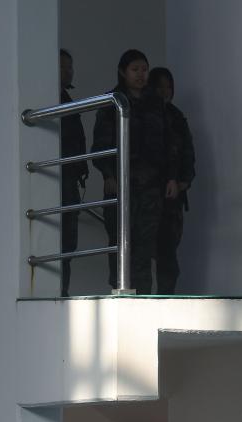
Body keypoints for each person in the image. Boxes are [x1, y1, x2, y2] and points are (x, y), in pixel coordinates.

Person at [92, 49, 178, 293]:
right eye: (135, 70)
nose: (141, 75)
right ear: (123, 72)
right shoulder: (112, 101)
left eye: (144, 69)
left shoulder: (155, 102)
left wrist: (171, 176)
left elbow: (169, 142)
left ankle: (143, 295)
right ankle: (119, 291)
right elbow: (101, 143)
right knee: (119, 242)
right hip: (121, 183)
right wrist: (108, 174)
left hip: (151, 186)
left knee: (145, 245)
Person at [147, 68, 195, 294]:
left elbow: (187, 152)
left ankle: (165, 298)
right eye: (160, 86)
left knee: (168, 255)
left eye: (169, 86)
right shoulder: (145, 114)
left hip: (172, 198)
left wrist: (184, 180)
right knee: (143, 254)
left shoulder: (176, 116)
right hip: (147, 194)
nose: (165, 91)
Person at [59, 49, 89, 297]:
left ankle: (64, 292)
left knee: (68, 245)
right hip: (57, 182)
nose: (69, 71)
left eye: (70, 66)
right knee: (60, 243)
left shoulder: (66, 99)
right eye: (63, 67)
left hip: (69, 180)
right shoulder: (50, 99)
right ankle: (59, 293)